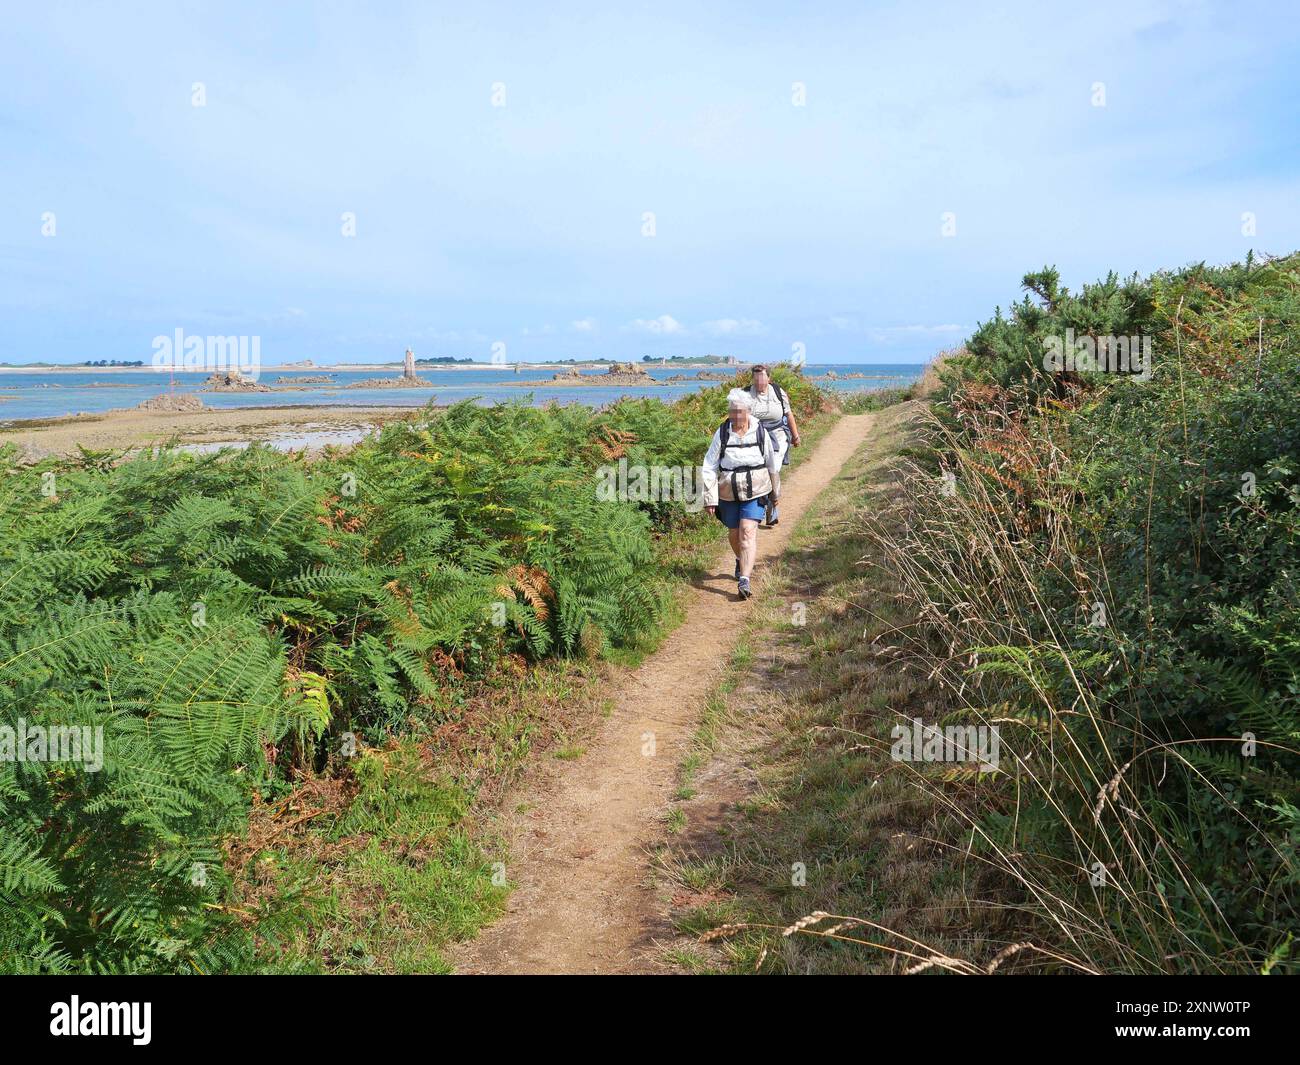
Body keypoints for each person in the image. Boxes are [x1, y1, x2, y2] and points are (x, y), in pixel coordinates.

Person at [701, 389, 780, 599]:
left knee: (747, 531)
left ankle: (744, 579)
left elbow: (771, 464)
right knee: (735, 533)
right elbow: (709, 466)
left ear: (748, 411)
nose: (736, 416)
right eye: (732, 411)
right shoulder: (723, 432)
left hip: (756, 489)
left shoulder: (759, 431)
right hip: (728, 491)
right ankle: (740, 559)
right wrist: (709, 498)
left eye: (740, 411)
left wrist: (775, 493)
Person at [747, 364, 801, 526]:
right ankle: (765, 502)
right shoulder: (746, 394)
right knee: (759, 471)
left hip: (778, 435)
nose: (759, 383)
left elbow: (788, 414)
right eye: (756, 379)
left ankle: (773, 503)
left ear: (768, 378)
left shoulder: (778, 392)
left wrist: (795, 436)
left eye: (762, 379)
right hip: (756, 436)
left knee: (773, 468)